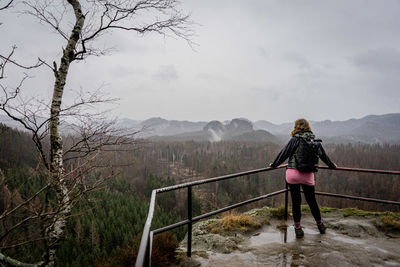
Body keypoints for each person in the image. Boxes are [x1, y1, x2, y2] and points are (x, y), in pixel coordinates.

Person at [270, 118, 336, 238]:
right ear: (308, 127)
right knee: (312, 201)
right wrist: (332, 165)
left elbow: (284, 153)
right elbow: (324, 156)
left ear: (296, 127)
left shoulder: (294, 140)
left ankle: (298, 229)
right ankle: (320, 225)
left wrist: (274, 164)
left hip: (293, 175)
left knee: (296, 202)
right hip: (307, 175)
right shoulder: (314, 140)